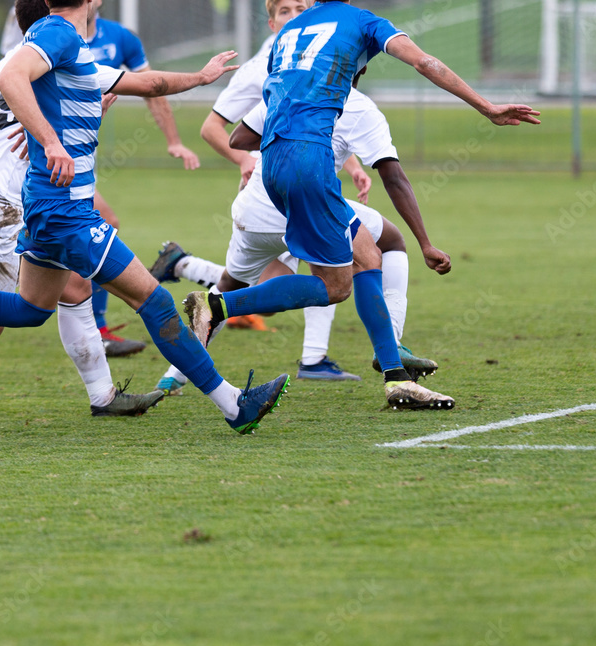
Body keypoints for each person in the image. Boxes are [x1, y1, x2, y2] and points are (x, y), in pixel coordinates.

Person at [0, 0, 290, 434]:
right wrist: (49, 139)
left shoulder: (55, 46)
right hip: (58, 210)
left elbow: (143, 84)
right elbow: (17, 79)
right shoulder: (58, 36)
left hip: (40, 206)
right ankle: (234, 404)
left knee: (32, 309)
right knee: (153, 303)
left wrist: (200, 77)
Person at [184, 0, 540, 410]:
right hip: (308, 162)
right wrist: (487, 107)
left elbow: (247, 130)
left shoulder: (290, 33)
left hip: (274, 162)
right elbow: (425, 63)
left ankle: (396, 377)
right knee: (336, 287)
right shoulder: (362, 22)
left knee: (369, 252)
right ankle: (217, 305)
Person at [149, 87, 438, 394]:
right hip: (306, 202)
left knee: (238, 284)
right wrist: (426, 243)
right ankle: (387, 359)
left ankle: (174, 373)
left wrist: (275, 152)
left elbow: (240, 138)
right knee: (370, 254)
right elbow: (392, 175)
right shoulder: (359, 106)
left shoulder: (289, 83)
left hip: (256, 204)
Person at [83, 0, 208, 356]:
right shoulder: (56, 37)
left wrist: (174, 142)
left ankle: (95, 327)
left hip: (73, 157)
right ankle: (94, 327)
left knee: (82, 237)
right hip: (48, 154)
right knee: (86, 233)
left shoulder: (121, 39)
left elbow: (153, 89)